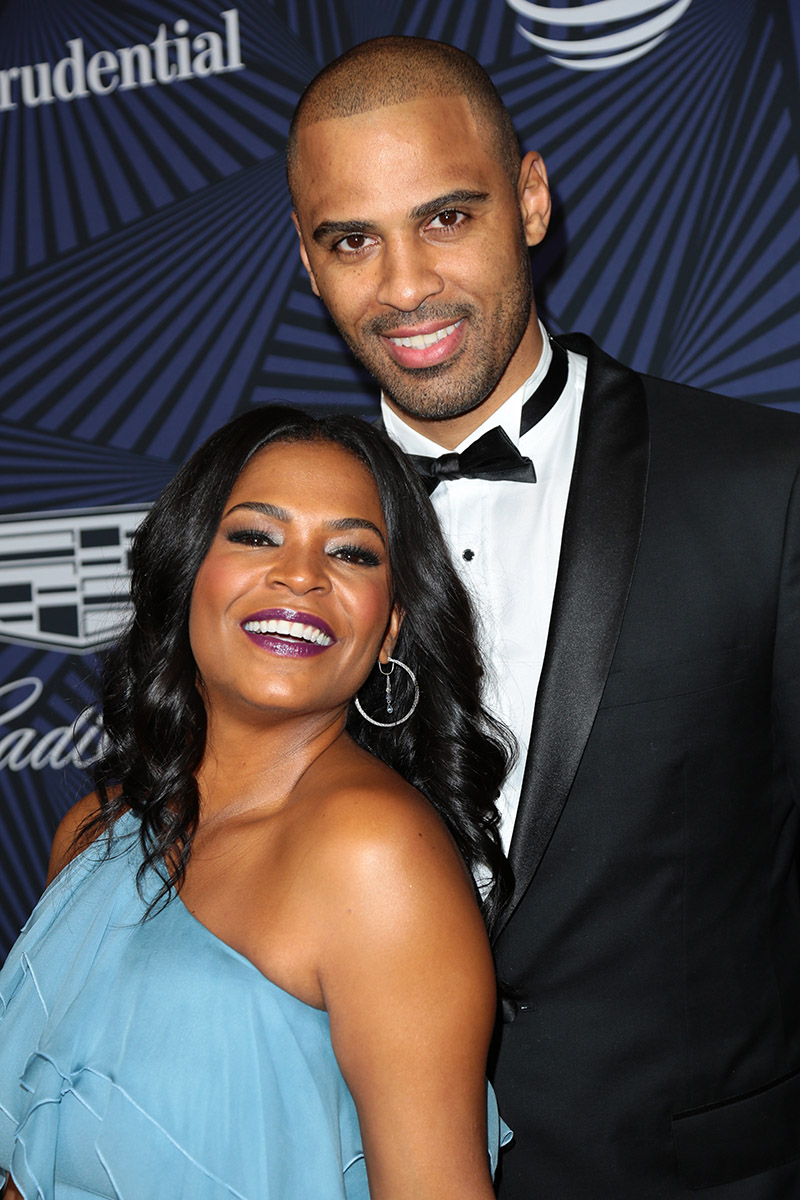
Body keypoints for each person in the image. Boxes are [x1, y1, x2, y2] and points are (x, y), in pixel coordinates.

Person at [286, 36, 800, 1199]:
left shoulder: (759, 487)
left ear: (527, 199)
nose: (404, 284)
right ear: (308, 263)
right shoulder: (269, 545)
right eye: (351, 240)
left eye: (446, 217)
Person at [0, 405, 514, 1200]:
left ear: (389, 630)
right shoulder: (95, 832)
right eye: (255, 536)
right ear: (184, 577)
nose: (302, 575)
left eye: (350, 552)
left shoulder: (374, 855)